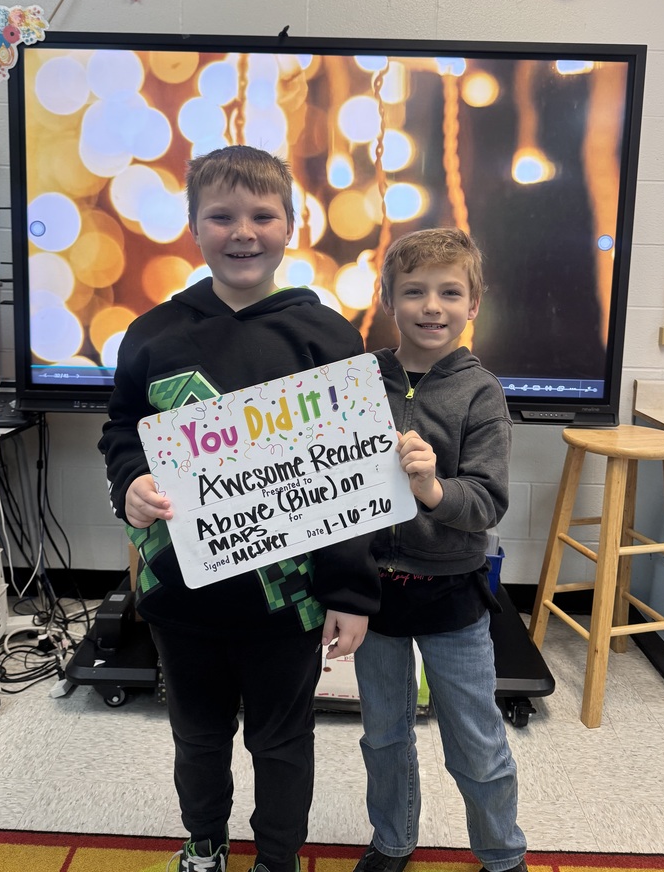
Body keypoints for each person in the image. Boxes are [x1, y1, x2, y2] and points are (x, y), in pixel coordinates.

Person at [98, 145, 380, 872]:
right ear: (194, 226)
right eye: (221, 216)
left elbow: (351, 479)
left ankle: (278, 859)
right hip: (178, 595)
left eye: (262, 214)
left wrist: (349, 592)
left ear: (291, 223)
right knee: (196, 739)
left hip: (286, 606)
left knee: (282, 743)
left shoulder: (328, 337)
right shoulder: (153, 334)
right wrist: (129, 480)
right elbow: (123, 428)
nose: (243, 232)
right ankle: (206, 844)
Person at [352, 227, 527, 872]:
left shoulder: (481, 391)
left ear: (473, 303)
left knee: (476, 742)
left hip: (452, 593)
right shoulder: (361, 379)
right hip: (375, 593)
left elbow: (486, 502)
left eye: (450, 292)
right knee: (384, 735)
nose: (432, 306)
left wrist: (430, 488)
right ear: (389, 299)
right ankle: (392, 841)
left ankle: (503, 854)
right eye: (415, 291)